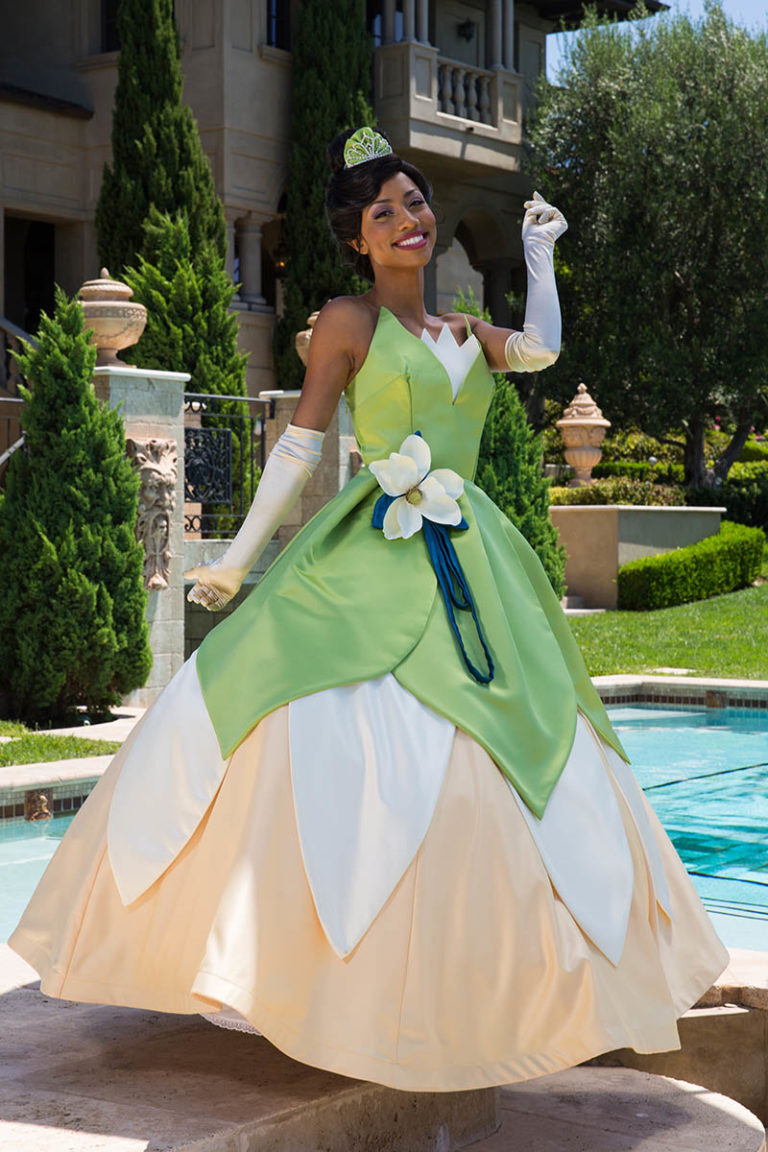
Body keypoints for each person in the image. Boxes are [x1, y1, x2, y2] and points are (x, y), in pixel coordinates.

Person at [10, 127, 728, 1093]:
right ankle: (286, 973)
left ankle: (483, 999)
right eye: (384, 212)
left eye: (415, 203)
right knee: (288, 711)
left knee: (525, 735)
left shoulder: (466, 333)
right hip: (371, 542)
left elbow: (542, 350)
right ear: (358, 239)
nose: (407, 221)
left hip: (472, 550)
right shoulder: (347, 322)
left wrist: (541, 253)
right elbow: (299, 446)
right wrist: (237, 559)